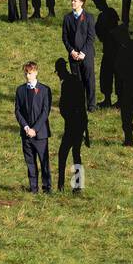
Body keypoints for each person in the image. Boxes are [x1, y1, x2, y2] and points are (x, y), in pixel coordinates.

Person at [14, 60, 52, 193]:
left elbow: (45, 112)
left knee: (44, 162)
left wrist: (34, 129)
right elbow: (18, 111)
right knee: (30, 163)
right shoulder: (20, 90)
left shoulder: (45, 90)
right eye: (26, 74)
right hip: (26, 134)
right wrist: (25, 127)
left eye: (30, 73)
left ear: (36, 73)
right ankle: (33, 188)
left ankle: (47, 188)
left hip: (40, 134)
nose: (27, 76)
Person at [54, 58, 87, 191]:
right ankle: (78, 186)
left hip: (72, 123)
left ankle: (61, 185)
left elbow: (64, 105)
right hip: (79, 122)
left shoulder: (67, 83)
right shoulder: (75, 80)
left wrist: (66, 115)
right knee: (76, 153)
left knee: (63, 153)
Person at [62, 0, 96, 111]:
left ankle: (91, 105)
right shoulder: (67, 18)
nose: (72, 2)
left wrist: (83, 53)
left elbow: (91, 37)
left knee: (89, 80)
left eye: (75, 1)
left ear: (81, 3)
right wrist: (71, 51)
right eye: (72, 0)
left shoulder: (89, 17)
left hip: (86, 55)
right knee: (77, 81)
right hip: (73, 56)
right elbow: (65, 37)